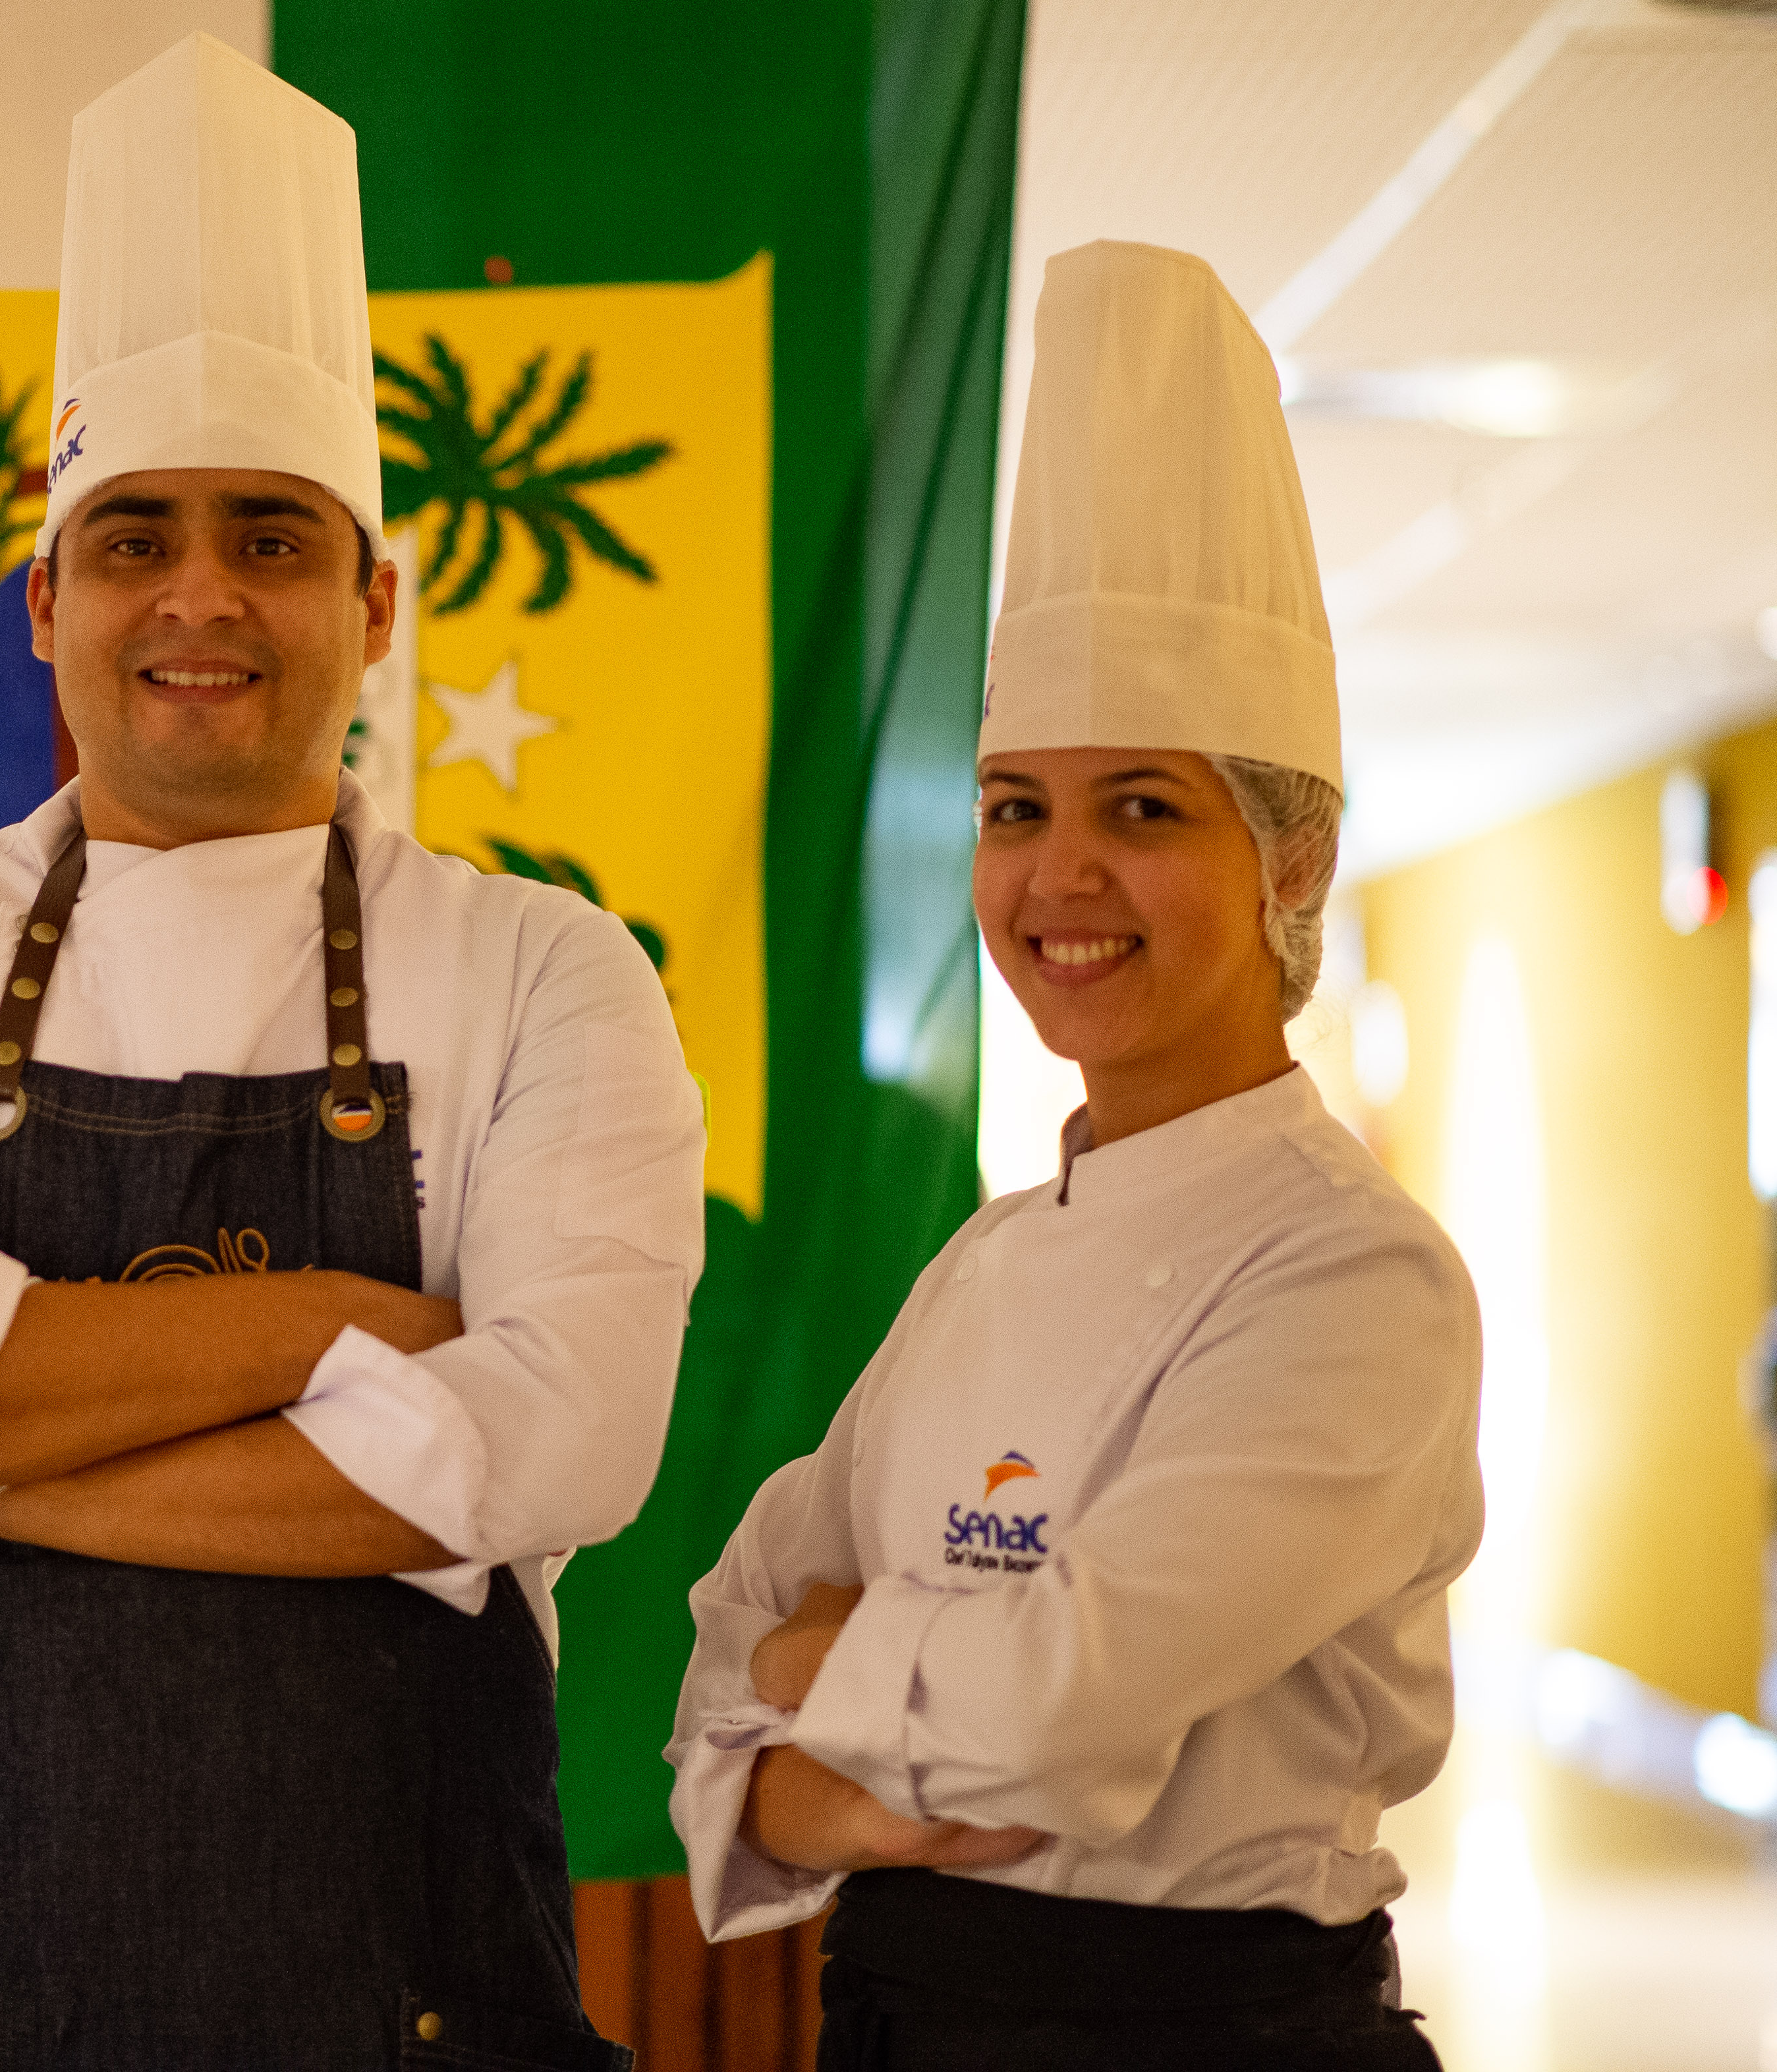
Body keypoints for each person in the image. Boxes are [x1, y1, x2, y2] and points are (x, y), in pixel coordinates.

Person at [0, 36, 704, 2071]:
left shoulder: (550, 968)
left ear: (376, 597)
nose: (198, 596)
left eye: (268, 535)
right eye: (135, 533)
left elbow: (559, 1450)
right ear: (40, 594)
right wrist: (339, 1325)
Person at [665, 242, 1481, 2071]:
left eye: (1141, 809)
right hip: (899, 2020)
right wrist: (853, 1773)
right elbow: (714, 1674)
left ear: (1288, 861)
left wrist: (829, 1671)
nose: (1058, 876)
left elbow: (1044, 1713)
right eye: (1013, 809)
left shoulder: (1353, 1277)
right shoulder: (979, 1261)